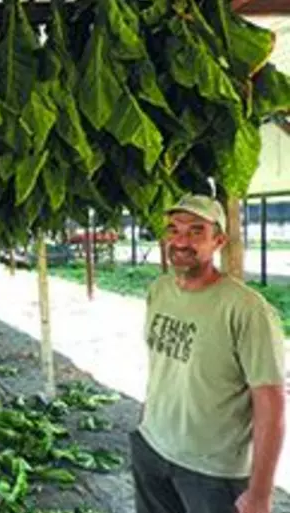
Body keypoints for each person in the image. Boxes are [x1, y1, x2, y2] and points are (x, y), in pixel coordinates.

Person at [131, 194, 286, 513]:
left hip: (212, 472)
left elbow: (271, 402)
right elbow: (163, 366)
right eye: (173, 229)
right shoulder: (159, 290)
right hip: (152, 448)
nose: (181, 241)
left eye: (196, 231)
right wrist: (146, 425)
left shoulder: (246, 309)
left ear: (219, 240)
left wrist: (260, 493)